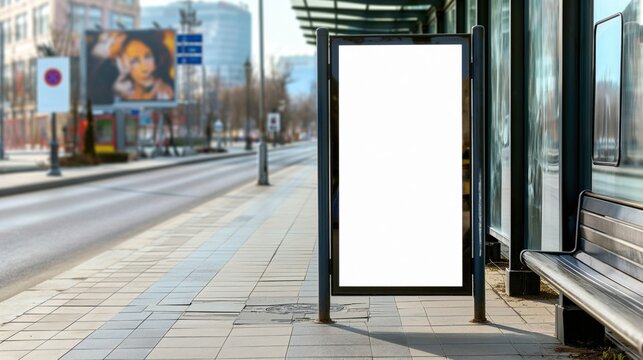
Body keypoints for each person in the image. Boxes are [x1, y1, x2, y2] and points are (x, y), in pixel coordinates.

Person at [91, 31, 174, 102]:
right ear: (124, 64)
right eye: (135, 60)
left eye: (147, 56)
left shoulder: (167, 88)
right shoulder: (119, 92)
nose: (144, 66)